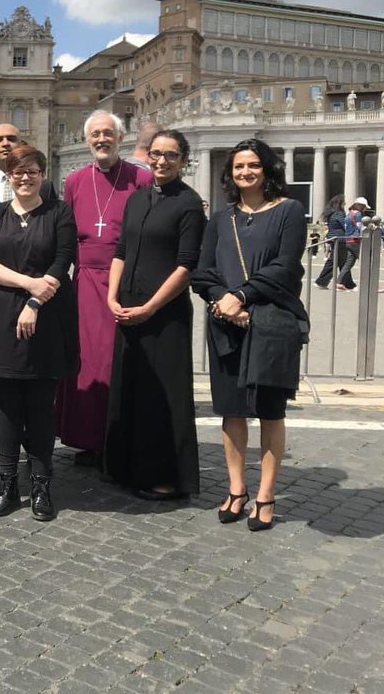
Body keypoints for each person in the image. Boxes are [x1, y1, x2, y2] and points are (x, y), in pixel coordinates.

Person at [192, 139, 308, 532]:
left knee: (271, 412)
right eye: (239, 166)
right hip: (224, 321)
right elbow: (202, 271)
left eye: (253, 165)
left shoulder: (290, 211)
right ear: (230, 173)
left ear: (267, 168)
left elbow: (285, 267)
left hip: (270, 323)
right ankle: (237, 489)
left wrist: (240, 295)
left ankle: (266, 494)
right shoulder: (220, 219)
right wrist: (221, 299)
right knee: (232, 409)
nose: (245, 172)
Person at [0, 144, 76, 522]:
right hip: (0, 317)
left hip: (47, 317)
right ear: (8, 175)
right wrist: (28, 285)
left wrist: (35, 302)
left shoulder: (59, 212)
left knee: (39, 404)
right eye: (18, 171)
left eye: (32, 170)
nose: (25, 177)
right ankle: (6, 481)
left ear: (42, 174)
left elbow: (63, 260)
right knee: (7, 405)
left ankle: (40, 482)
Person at [104, 129, 205, 500]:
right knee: (130, 388)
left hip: (164, 313)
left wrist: (150, 307)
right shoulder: (137, 199)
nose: (162, 161)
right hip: (128, 306)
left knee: (162, 396)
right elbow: (121, 250)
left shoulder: (190, 204)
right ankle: (125, 466)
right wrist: (112, 296)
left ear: (183, 160)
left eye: (171, 155)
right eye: (157, 153)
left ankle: (165, 475)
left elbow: (185, 266)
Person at [56, 110, 152, 467]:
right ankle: (88, 439)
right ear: (87, 140)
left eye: (107, 133)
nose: (101, 140)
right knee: (87, 362)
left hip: (124, 282)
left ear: (120, 137)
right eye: (95, 134)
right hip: (83, 282)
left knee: (117, 362)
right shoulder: (75, 181)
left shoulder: (141, 179)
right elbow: (65, 236)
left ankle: (118, 437)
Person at [314, 195, 350, 290]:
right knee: (336, 262)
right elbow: (345, 225)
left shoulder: (332, 213)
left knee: (341, 262)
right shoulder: (339, 214)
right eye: (343, 202)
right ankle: (322, 281)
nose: (345, 204)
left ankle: (345, 283)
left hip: (335, 238)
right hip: (340, 239)